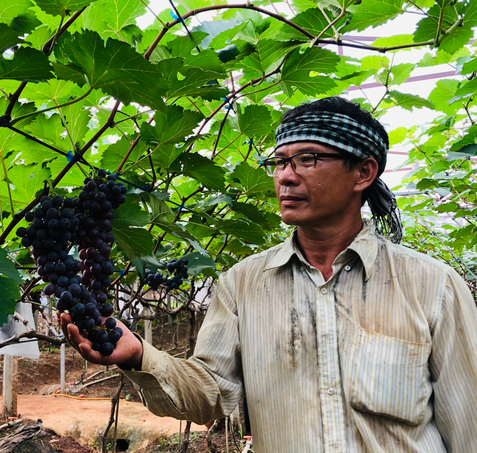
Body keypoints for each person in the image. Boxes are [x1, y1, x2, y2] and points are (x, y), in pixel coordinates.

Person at [60, 97, 477, 452]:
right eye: (278, 162)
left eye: (307, 160)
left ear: (363, 173)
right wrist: (138, 355)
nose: (286, 176)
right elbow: (210, 393)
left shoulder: (432, 287)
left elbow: (468, 427)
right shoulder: (242, 285)